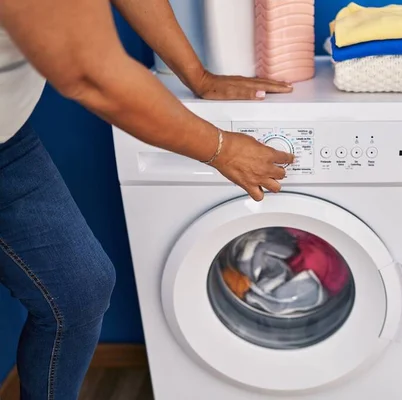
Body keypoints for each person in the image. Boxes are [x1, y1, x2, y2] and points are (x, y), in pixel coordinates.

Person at [0, 0, 295, 398]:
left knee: (79, 293)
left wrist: (198, 77)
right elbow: (90, 75)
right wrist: (222, 149)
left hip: (7, 137)